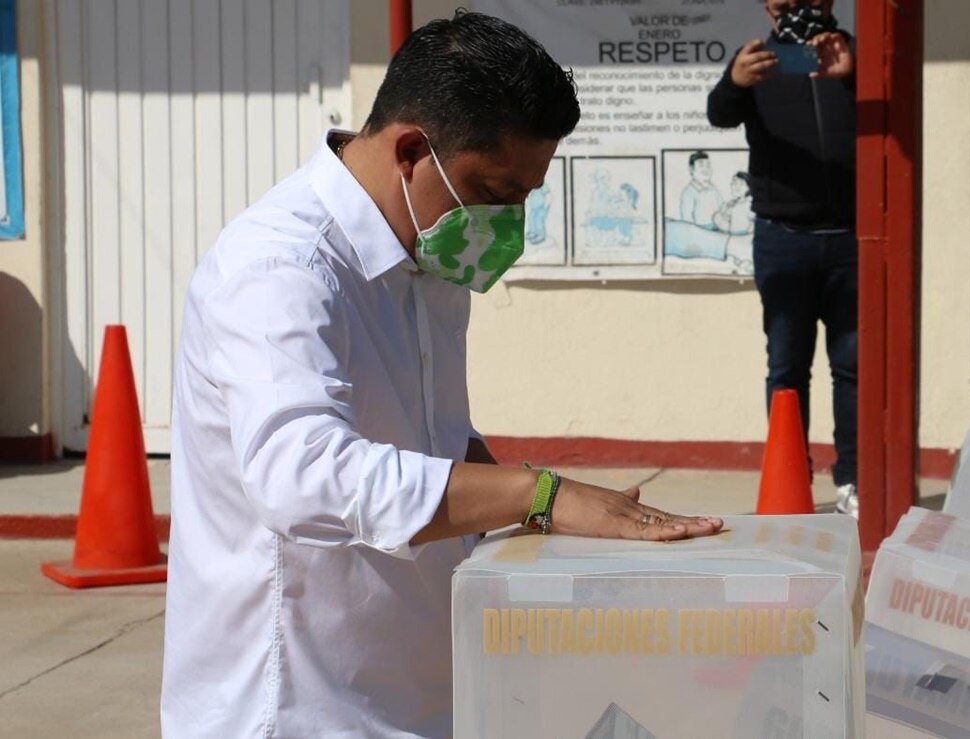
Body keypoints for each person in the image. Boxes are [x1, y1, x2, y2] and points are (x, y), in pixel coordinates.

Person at [160, 12, 722, 738]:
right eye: (497, 190)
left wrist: (544, 507)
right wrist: (536, 490)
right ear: (410, 151)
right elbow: (299, 475)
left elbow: (428, 433)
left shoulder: (426, 254)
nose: (512, 218)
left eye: (526, 194)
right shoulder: (281, 269)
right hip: (300, 705)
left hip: (410, 689)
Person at [706, 0, 859, 515]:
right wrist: (734, 81)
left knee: (852, 366)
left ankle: (852, 481)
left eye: (810, 2)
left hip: (850, 240)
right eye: (787, 3)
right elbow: (719, 114)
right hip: (783, 237)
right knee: (787, 366)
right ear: (770, 9)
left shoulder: (853, 56)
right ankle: (793, 481)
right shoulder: (757, 63)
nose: (799, 11)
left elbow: (895, 119)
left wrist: (851, 78)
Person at [678, 150, 723, 228]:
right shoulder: (689, 192)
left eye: (708, 165)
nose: (705, 169)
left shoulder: (713, 188)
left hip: (718, 228)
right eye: (701, 165)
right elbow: (687, 219)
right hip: (700, 231)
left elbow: (721, 207)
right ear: (691, 169)